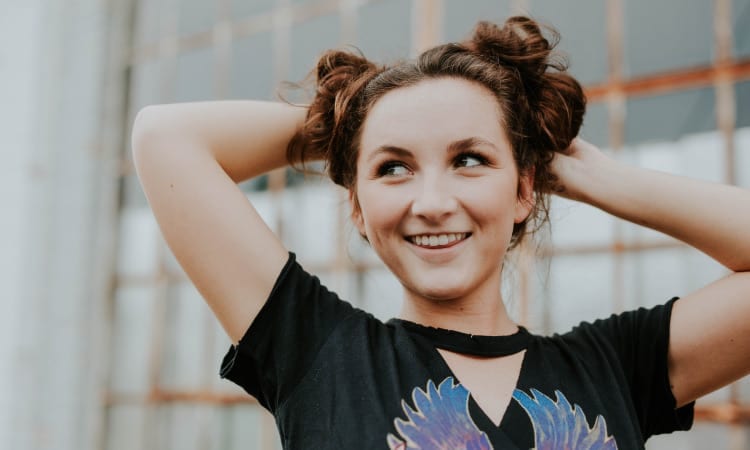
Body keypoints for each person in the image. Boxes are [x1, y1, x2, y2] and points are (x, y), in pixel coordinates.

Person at [131, 16, 750, 450]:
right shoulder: (319, 354)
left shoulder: (618, 366)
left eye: (470, 160)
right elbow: (166, 138)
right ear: (357, 208)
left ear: (525, 189)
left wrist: (600, 178)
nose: (431, 202)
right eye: (393, 167)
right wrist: (356, 121)